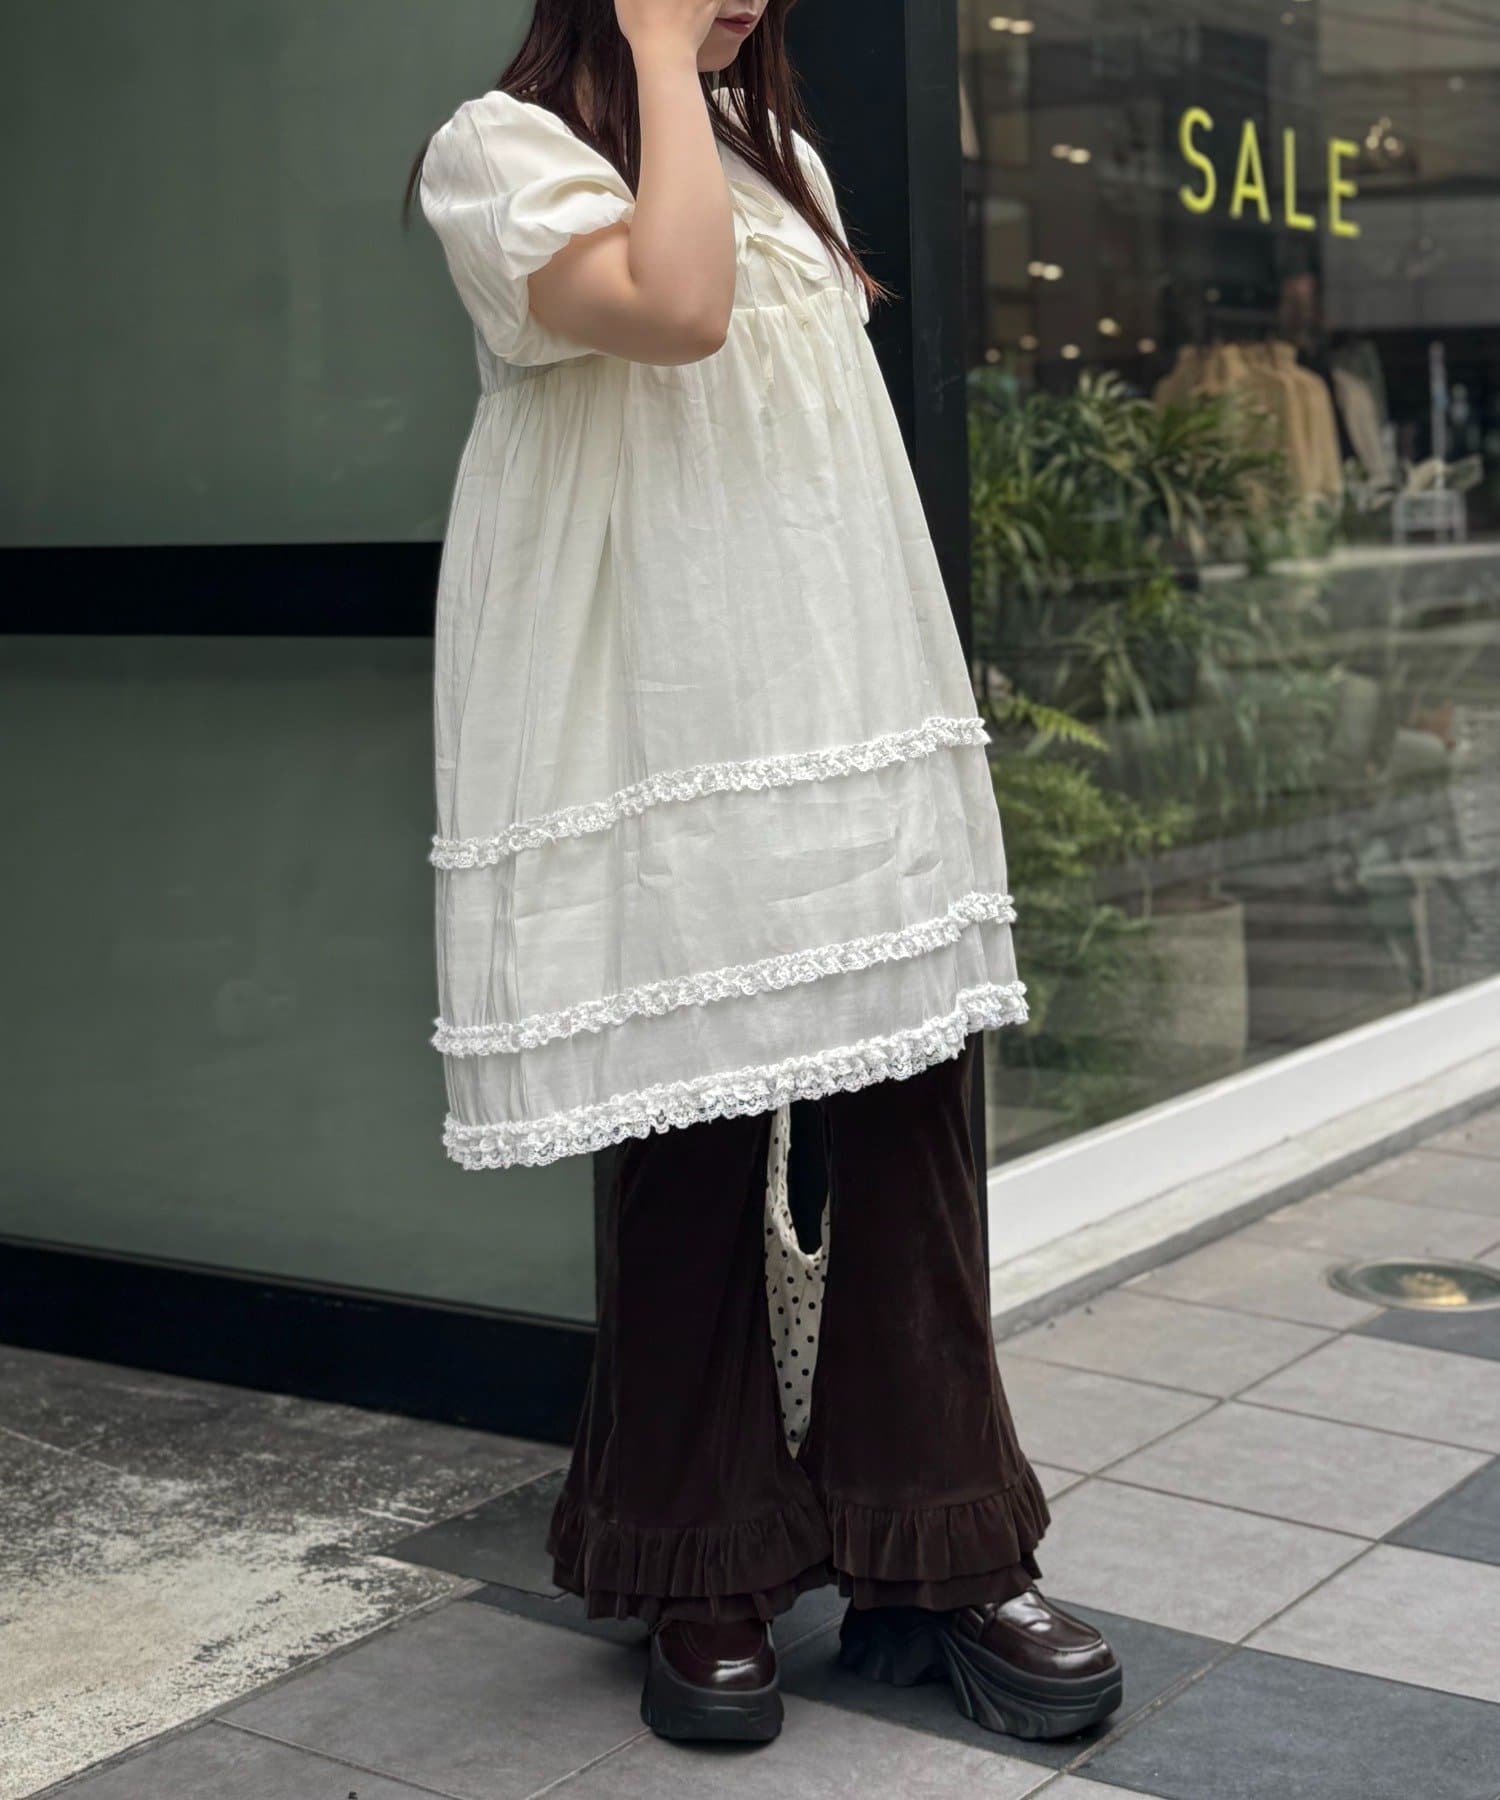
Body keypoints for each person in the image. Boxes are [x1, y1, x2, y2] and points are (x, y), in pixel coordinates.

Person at [409, 0, 1122, 1747]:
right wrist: (660, 58)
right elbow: (676, 311)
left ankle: (943, 1554)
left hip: (831, 693)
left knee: (908, 1112)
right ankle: (699, 1562)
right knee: (690, 1140)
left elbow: (816, 454)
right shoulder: (500, 154)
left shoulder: (776, 152)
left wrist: (701, 91)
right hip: (656, 725)